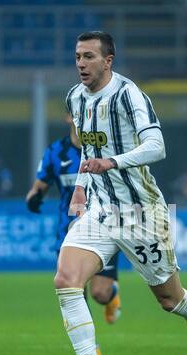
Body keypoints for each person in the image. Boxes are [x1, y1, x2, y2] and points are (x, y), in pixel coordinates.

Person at [55, 31, 187, 355]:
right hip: (101, 210)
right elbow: (92, 150)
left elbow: (157, 146)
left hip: (140, 212)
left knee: (171, 299)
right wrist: (82, 186)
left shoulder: (129, 94)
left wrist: (113, 162)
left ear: (108, 61)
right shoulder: (75, 97)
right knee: (66, 280)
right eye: (77, 57)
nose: (81, 64)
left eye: (89, 57)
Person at [26, 119, 121, 325]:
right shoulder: (55, 152)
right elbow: (38, 186)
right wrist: (34, 198)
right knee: (73, 288)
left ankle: (111, 295)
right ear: (69, 117)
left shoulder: (106, 149)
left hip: (102, 227)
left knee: (100, 294)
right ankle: (90, 346)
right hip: (68, 229)